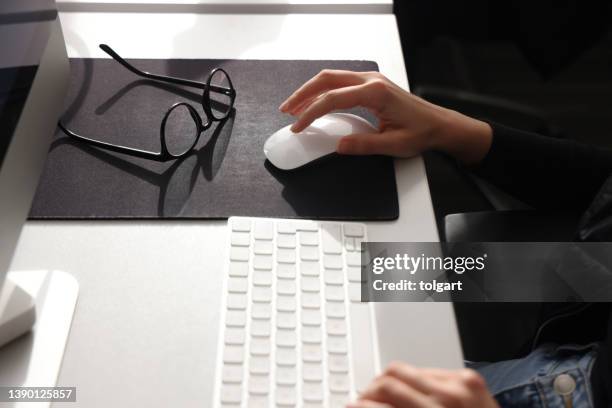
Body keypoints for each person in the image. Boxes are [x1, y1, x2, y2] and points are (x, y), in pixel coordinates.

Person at [279, 70, 612, 408]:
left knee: (326, 385)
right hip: (587, 277)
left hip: (583, 384)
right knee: (329, 281)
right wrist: (447, 127)